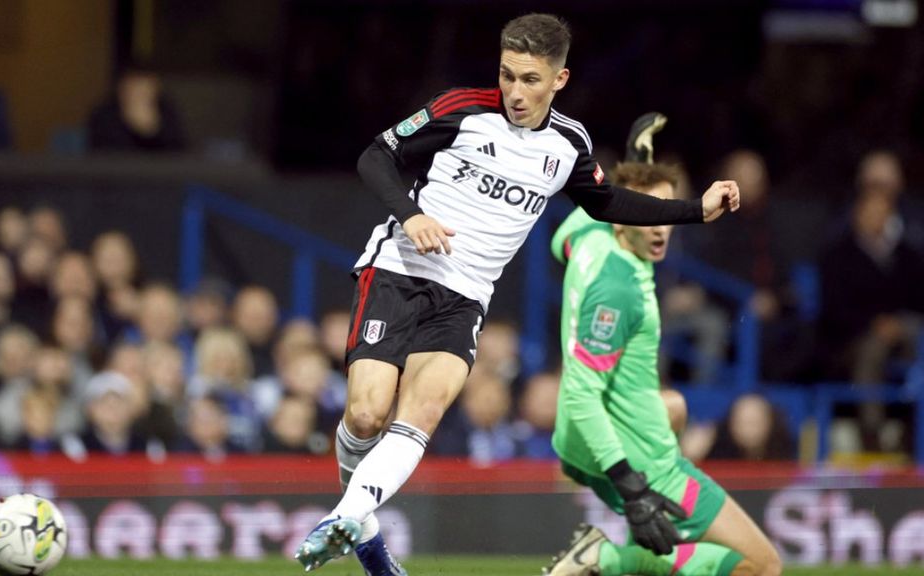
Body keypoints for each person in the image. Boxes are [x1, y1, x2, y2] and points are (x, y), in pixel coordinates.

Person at [294, 13, 740, 575]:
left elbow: (605, 204)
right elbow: (374, 157)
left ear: (560, 79)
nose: (515, 91)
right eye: (507, 75)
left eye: (530, 79)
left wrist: (694, 211)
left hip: (465, 299)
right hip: (399, 272)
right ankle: (365, 535)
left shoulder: (567, 144)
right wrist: (410, 217)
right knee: (364, 414)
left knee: (423, 412)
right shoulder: (461, 108)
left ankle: (351, 522)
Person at [542, 138, 779, 574]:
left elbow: (567, 234)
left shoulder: (588, 235)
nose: (659, 227)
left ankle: (634, 559)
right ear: (619, 218)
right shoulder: (619, 290)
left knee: (675, 407)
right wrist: (630, 485)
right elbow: (580, 393)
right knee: (760, 566)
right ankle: (605, 559)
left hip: (580, 444)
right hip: (640, 461)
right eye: (644, 213)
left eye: (664, 211)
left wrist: (636, 164)